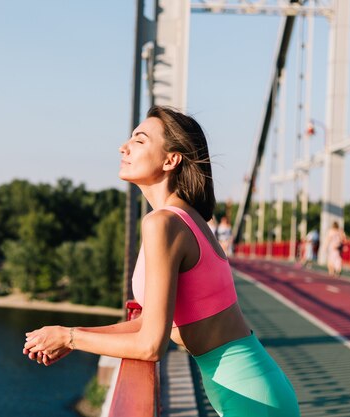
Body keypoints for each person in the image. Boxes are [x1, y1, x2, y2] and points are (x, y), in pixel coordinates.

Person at [22, 106, 300, 416]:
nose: (123, 147)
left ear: (170, 160)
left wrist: (70, 338)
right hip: (252, 387)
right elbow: (149, 323)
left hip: (250, 398)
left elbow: (151, 346)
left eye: (139, 140)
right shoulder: (183, 219)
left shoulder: (164, 224)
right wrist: (68, 332)